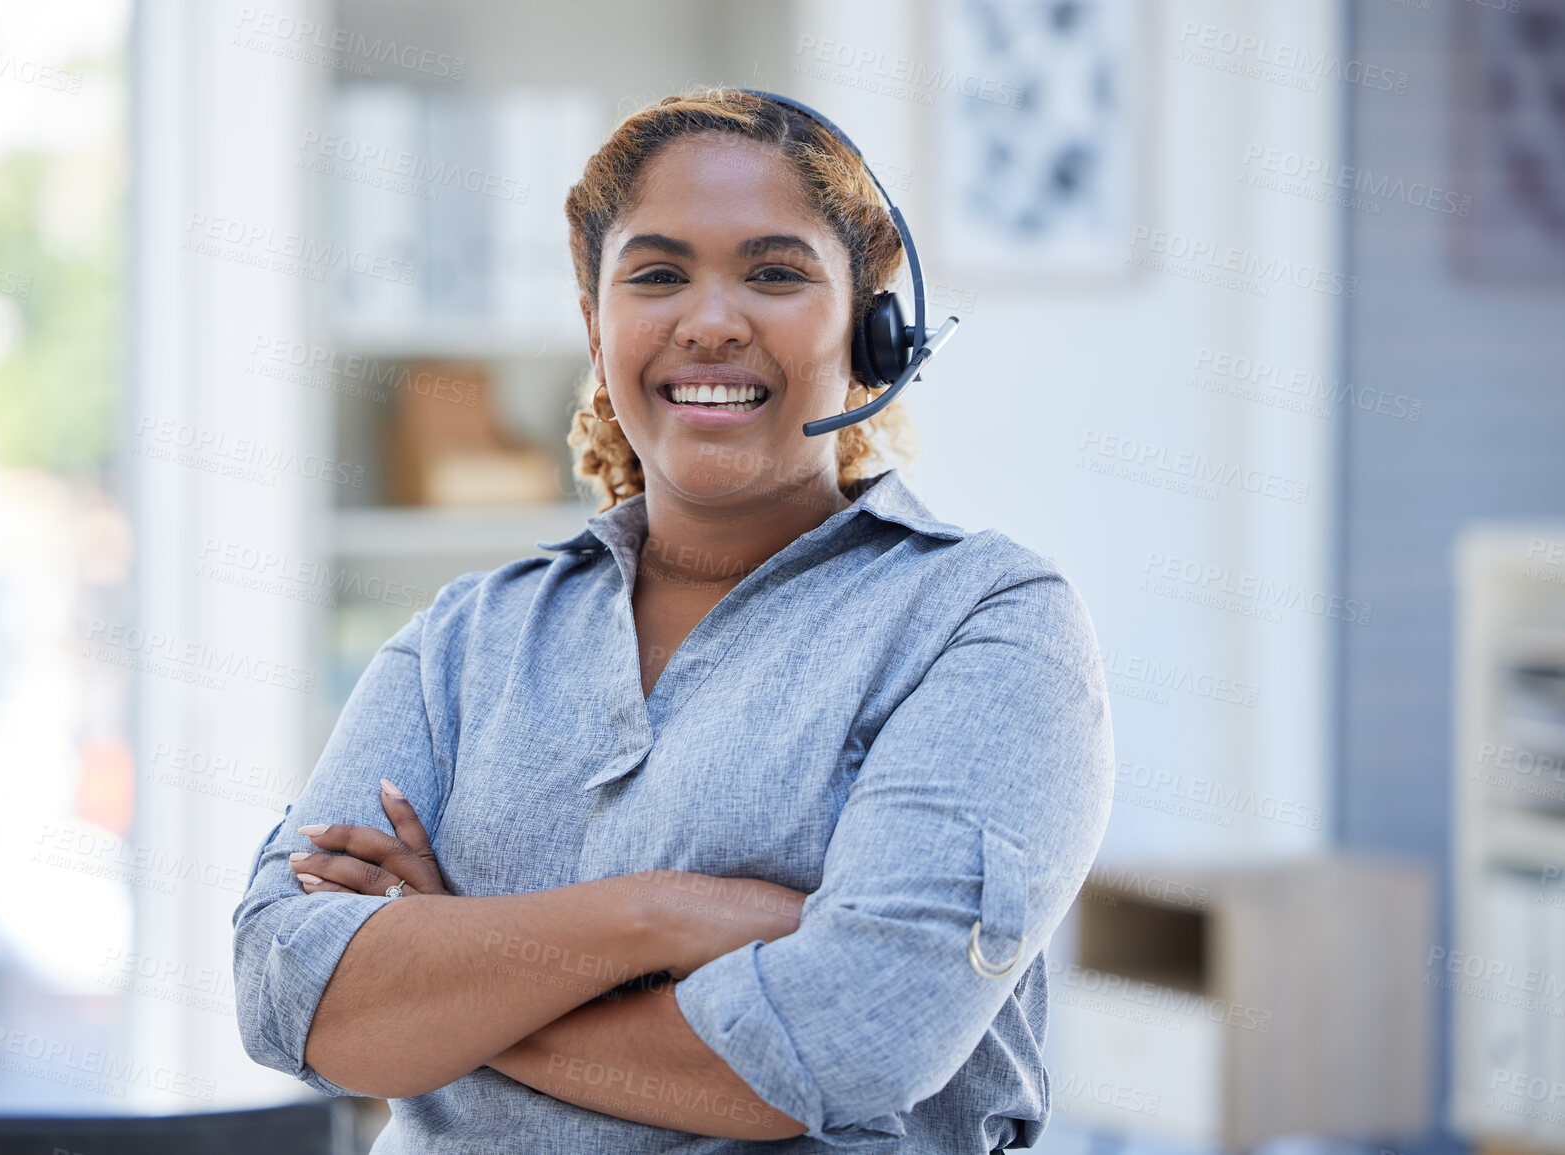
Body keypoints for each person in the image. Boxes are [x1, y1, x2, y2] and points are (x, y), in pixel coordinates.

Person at [232, 85, 1114, 1153]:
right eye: (657, 275)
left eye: (776, 273)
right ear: (597, 330)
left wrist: (451, 979)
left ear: (875, 331)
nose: (709, 321)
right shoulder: (465, 640)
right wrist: (661, 915)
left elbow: (853, 1037)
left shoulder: (985, 621)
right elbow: (290, 998)